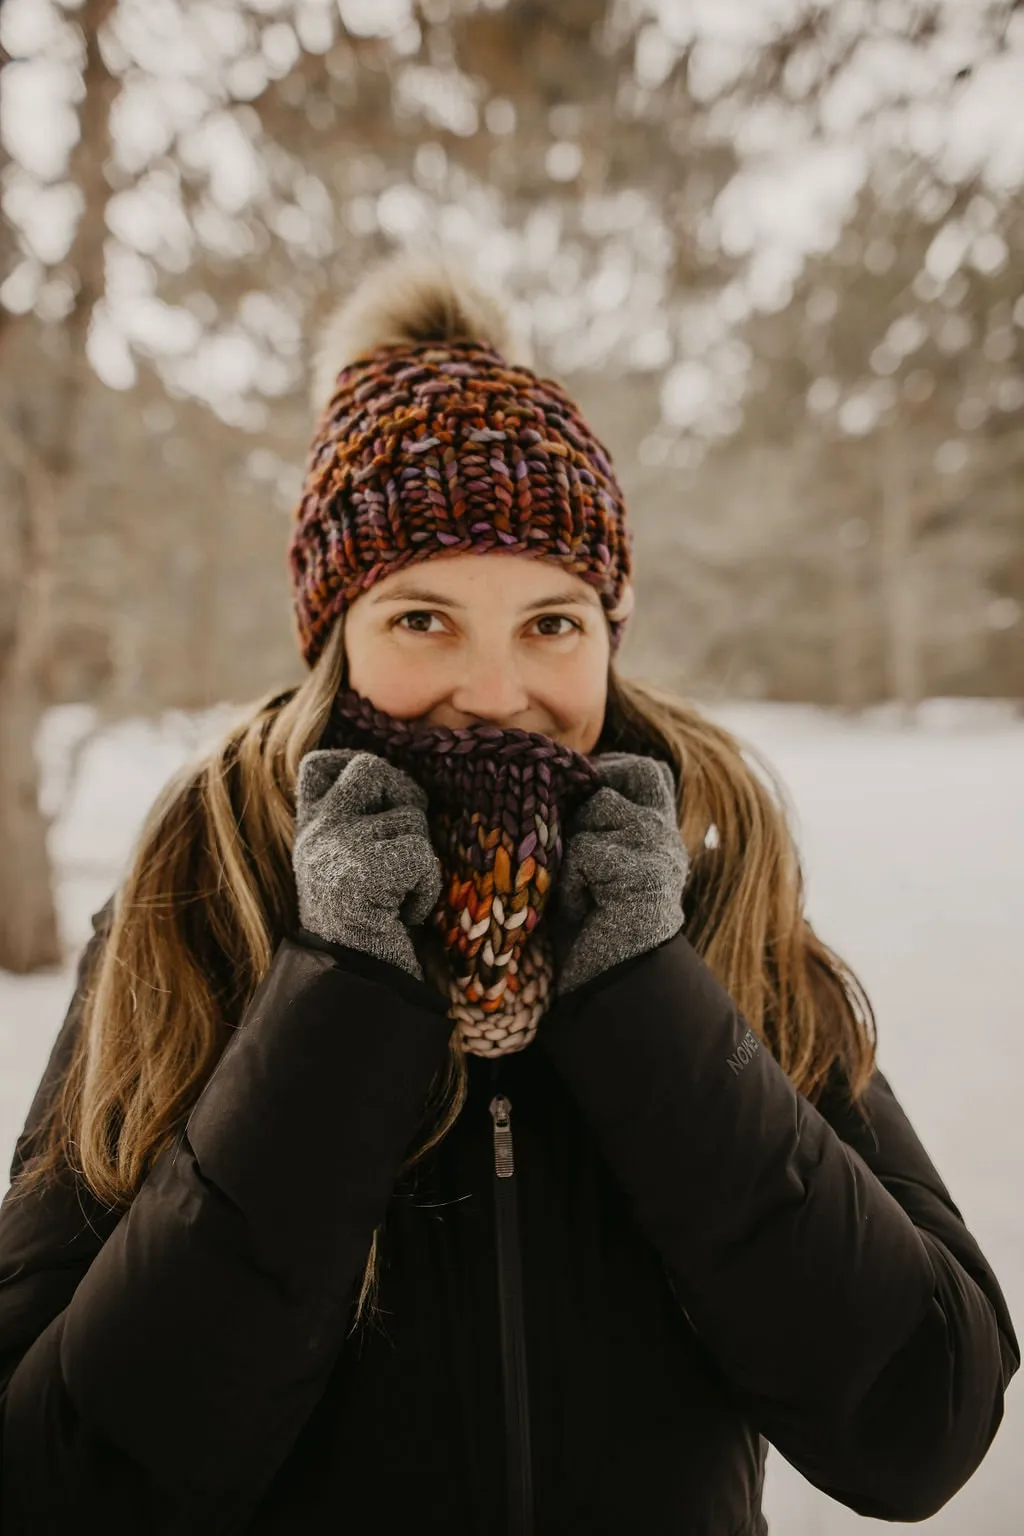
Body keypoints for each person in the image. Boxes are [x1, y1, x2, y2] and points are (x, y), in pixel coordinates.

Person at [0, 249, 1017, 1536]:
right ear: (333, 639)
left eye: (551, 622)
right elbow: (52, 1483)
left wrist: (645, 994)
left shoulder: (713, 895)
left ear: (609, 634)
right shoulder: (197, 905)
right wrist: (341, 1003)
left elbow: (920, 1416)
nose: (495, 692)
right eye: (423, 619)